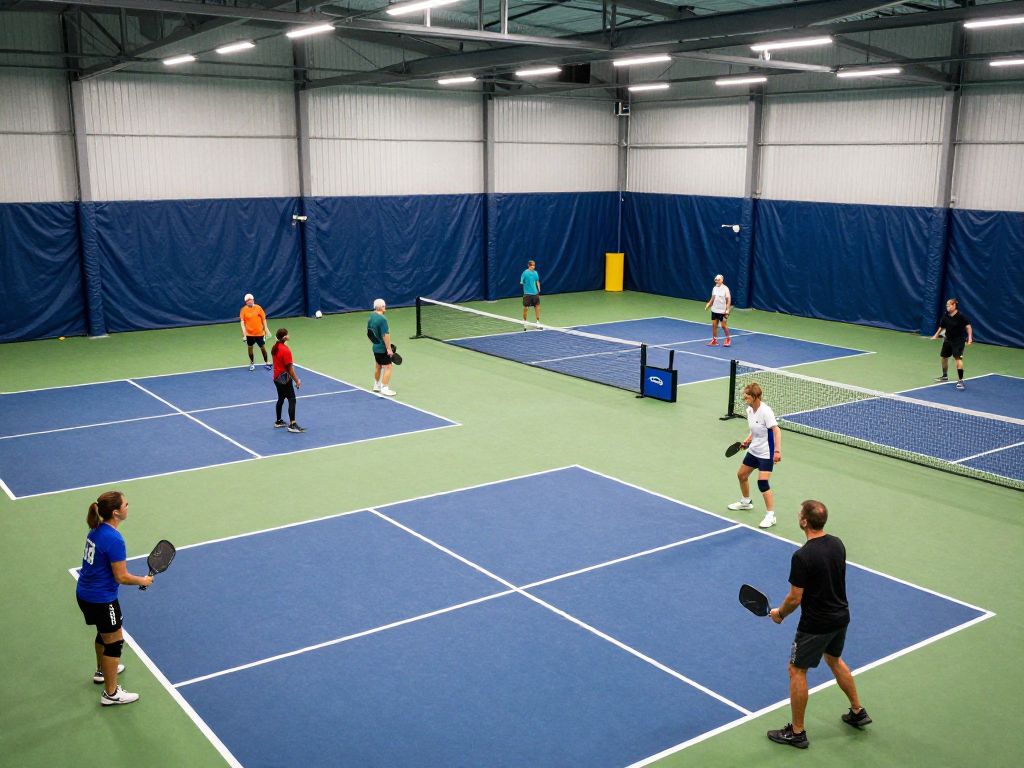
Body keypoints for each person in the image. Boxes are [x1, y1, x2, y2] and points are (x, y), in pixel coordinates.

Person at [766, 499, 871, 749]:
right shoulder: (837, 543)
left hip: (816, 624)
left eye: (799, 513)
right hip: (841, 617)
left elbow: (795, 597)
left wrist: (780, 614)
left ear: (804, 521)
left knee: (796, 670)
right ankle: (857, 711)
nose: (797, 515)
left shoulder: (802, 556)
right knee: (834, 659)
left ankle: (797, 732)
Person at [75, 491, 153, 706]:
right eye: (126, 504)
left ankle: (102, 671)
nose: (129, 507)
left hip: (85, 593)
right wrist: (142, 581)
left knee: (104, 634)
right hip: (101, 599)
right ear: (116, 512)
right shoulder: (114, 539)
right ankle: (111, 694)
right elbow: (121, 577)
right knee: (115, 642)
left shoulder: (96, 530)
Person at [728, 382, 781, 529]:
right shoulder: (749, 410)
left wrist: (777, 451)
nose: (744, 398)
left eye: (746, 396)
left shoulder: (766, 411)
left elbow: (776, 431)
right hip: (754, 450)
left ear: (755, 396)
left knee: (762, 483)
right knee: (741, 475)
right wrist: (747, 440)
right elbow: (756, 429)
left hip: (766, 453)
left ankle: (771, 515)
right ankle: (746, 502)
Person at [931, 298, 973, 390]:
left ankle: (960, 381)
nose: (947, 307)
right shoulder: (946, 315)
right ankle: (945, 376)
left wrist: (969, 337)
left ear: (954, 305)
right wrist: (936, 335)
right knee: (943, 357)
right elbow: (942, 326)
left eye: (949, 305)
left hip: (958, 341)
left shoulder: (961, 316)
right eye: (946, 305)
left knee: (958, 359)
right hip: (948, 339)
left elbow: (968, 326)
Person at [271, 327, 304, 433]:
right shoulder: (286, 350)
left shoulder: (275, 347)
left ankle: (278, 421)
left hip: (276, 378)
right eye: (288, 334)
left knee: (281, 398)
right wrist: (297, 380)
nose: (289, 335)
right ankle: (292, 424)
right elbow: (290, 369)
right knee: (292, 399)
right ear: (284, 337)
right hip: (284, 379)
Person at [368, 298, 395, 397]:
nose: (385, 307)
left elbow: (369, 332)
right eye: (384, 306)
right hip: (382, 348)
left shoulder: (371, 316)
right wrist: (388, 348)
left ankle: (376, 385)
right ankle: (384, 388)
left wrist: (374, 343)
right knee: (388, 366)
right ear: (381, 307)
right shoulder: (382, 319)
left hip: (375, 347)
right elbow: (385, 335)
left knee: (378, 366)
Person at [240, 293, 271, 372]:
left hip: (259, 333)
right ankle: (252, 363)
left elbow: (264, 319)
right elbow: (242, 323)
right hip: (249, 334)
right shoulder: (243, 310)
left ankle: (267, 362)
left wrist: (266, 330)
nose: (250, 301)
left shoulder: (258, 308)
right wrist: (244, 334)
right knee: (250, 349)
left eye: (251, 300)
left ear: (253, 300)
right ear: (246, 302)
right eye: (248, 301)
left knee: (263, 348)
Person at [704, 274, 732, 346]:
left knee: (723, 326)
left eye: (718, 280)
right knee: (714, 325)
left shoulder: (726, 289)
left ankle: (728, 339)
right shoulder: (714, 288)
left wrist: (727, 310)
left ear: (722, 280)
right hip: (714, 310)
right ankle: (714, 340)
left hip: (722, 311)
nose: (717, 281)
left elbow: (728, 300)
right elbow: (713, 298)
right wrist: (709, 304)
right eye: (716, 280)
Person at [520, 260, 541, 328]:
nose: (533, 267)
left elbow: (537, 281)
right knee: (526, 308)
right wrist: (523, 283)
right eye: (532, 265)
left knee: (537, 307)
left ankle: (537, 321)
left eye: (534, 265)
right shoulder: (525, 273)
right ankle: (524, 321)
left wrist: (539, 289)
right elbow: (521, 281)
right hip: (527, 294)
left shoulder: (535, 273)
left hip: (535, 293)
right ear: (528, 265)